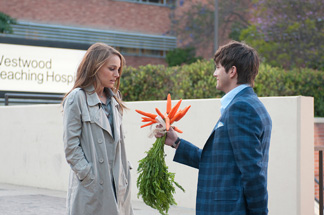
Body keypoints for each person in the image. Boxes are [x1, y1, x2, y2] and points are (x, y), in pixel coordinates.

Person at [159, 41, 272, 215]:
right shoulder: (245, 104)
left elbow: (252, 172)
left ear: (232, 71)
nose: (214, 73)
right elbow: (218, 162)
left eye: (218, 67)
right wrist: (176, 142)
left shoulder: (242, 108)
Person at [62, 43, 133, 215]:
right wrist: (88, 176)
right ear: (96, 66)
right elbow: (71, 146)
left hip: (118, 184)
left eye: (118, 70)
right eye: (112, 68)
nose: (117, 75)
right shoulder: (76, 98)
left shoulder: (115, 100)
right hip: (92, 186)